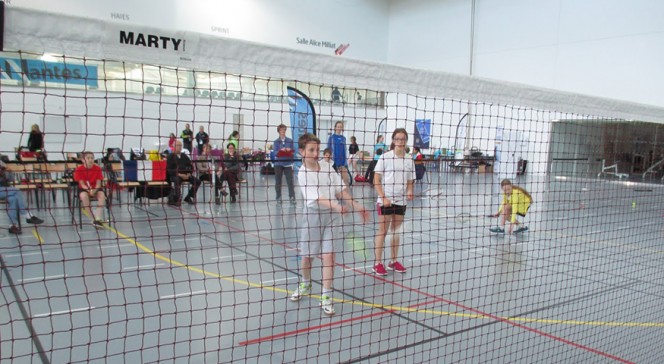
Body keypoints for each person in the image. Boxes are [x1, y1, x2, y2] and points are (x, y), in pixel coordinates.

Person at [290, 133, 369, 315]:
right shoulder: (302, 173)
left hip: (332, 217)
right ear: (302, 152)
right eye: (311, 150)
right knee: (307, 257)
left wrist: (355, 205)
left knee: (329, 256)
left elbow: (340, 190)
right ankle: (305, 283)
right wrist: (336, 205)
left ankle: (326, 295)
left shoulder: (327, 166)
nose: (316, 153)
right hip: (313, 217)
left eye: (317, 149)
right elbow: (317, 197)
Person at [372, 128, 415, 275]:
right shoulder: (385, 157)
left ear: (406, 141)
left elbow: (410, 180)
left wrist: (409, 191)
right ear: (393, 140)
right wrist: (383, 197)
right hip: (386, 201)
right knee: (383, 231)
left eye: (403, 139)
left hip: (401, 201)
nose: (400, 142)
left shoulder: (409, 159)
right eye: (398, 139)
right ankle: (377, 263)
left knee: (396, 232)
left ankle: (393, 261)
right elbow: (376, 180)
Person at [0, 160, 44, 234]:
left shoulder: (2, 168)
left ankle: (12, 226)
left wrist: (7, 172)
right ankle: (27, 215)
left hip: (4, 191)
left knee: (13, 199)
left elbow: (10, 179)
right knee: (17, 190)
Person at [74, 151, 107, 227]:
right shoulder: (79, 169)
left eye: (92, 158)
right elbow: (82, 184)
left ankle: (98, 217)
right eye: (88, 158)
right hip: (85, 188)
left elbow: (98, 184)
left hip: (96, 188)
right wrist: (89, 190)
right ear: (83, 160)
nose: (90, 160)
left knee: (102, 195)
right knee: (84, 196)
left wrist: (94, 191)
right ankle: (93, 218)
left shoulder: (97, 168)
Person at [166, 141, 200, 205]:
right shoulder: (170, 156)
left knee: (197, 181)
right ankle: (177, 198)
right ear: (174, 147)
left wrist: (189, 173)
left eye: (180, 145)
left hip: (186, 175)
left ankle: (189, 196)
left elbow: (190, 166)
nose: (180, 147)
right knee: (177, 180)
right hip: (176, 175)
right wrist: (179, 174)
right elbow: (169, 169)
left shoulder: (184, 156)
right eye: (178, 145)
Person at [273, 124, 296, 205]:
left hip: (288, 163)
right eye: (281, 130)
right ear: (278, 131)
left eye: (284, 130)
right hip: (278, 164)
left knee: (290, 181)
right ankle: (278, 197)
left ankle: (292, 197)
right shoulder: (276, 142)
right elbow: (275, 152)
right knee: (278, 182)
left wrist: (289, 150)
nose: (283, 131)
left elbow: (293, 151)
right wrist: (281, 150)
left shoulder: (290, 141)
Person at [327, 121, 351, 186]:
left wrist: (345, 162)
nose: (339, 128)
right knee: (334, 181)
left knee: (345, 181)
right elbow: (328, 150)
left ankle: (345, 194)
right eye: (338, 127)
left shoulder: (344, 138)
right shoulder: (331, 138)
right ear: (335, 128)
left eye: (341, 127)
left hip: (343, 162)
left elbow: (344, 150)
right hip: (334, 162)